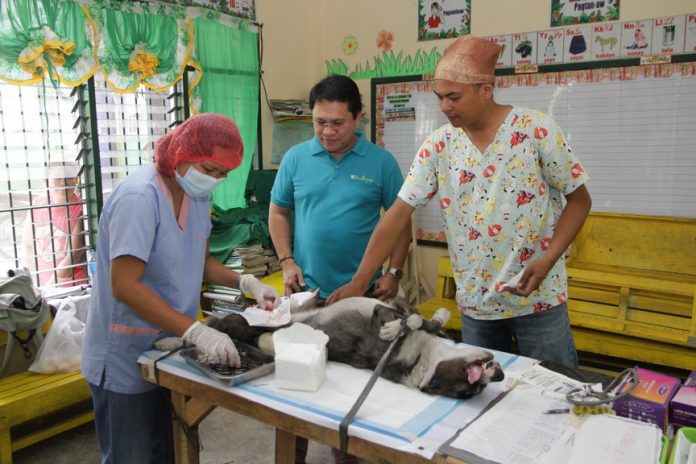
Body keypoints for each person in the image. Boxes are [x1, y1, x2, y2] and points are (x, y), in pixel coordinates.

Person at [328, 36, 592, 369]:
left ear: (486, 88)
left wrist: (550, 257)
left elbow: (580, 201)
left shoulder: (535, 130)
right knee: (476, 394)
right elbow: (397, 215)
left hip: (538, 301)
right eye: (440, 97)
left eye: (454, 97)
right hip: (476, 306)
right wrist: (359, 279)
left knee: (554, 391)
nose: (445, 107)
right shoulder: (439, 146)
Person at [81, 113, 280, 464]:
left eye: (224, 174)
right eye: (210, 169)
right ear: (182, 153)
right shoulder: (139, 198)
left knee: (171, 448)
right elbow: (125, 285)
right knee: (131, 455)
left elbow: (201, 260)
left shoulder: (196, 195)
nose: (215, 179)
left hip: (171, 347)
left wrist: (246, 282)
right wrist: (196, 331)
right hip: (125, 351)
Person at [268, 75, 411, 464]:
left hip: (362, 300)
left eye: (337, 123)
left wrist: (393, 273)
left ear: (359, 118)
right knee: (296, 386)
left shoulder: (380, 162)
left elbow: (400, 222)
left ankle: (348, 456)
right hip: (307, 296)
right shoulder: (297, 158)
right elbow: (279, 211)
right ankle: (292, 455)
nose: (327, 132)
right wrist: (286, 261)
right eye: (319, 122)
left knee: (353, 389)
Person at [21, 161, 88, 287]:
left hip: (69, 285)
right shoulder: (37, 204)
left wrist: (50, 285)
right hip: (40, 283)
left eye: (69, 178)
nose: (64, 183)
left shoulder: (80, 210)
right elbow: (28, 245)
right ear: (47, 180)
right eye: (58, 178)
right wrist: (33, 280)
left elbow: (73, 254)